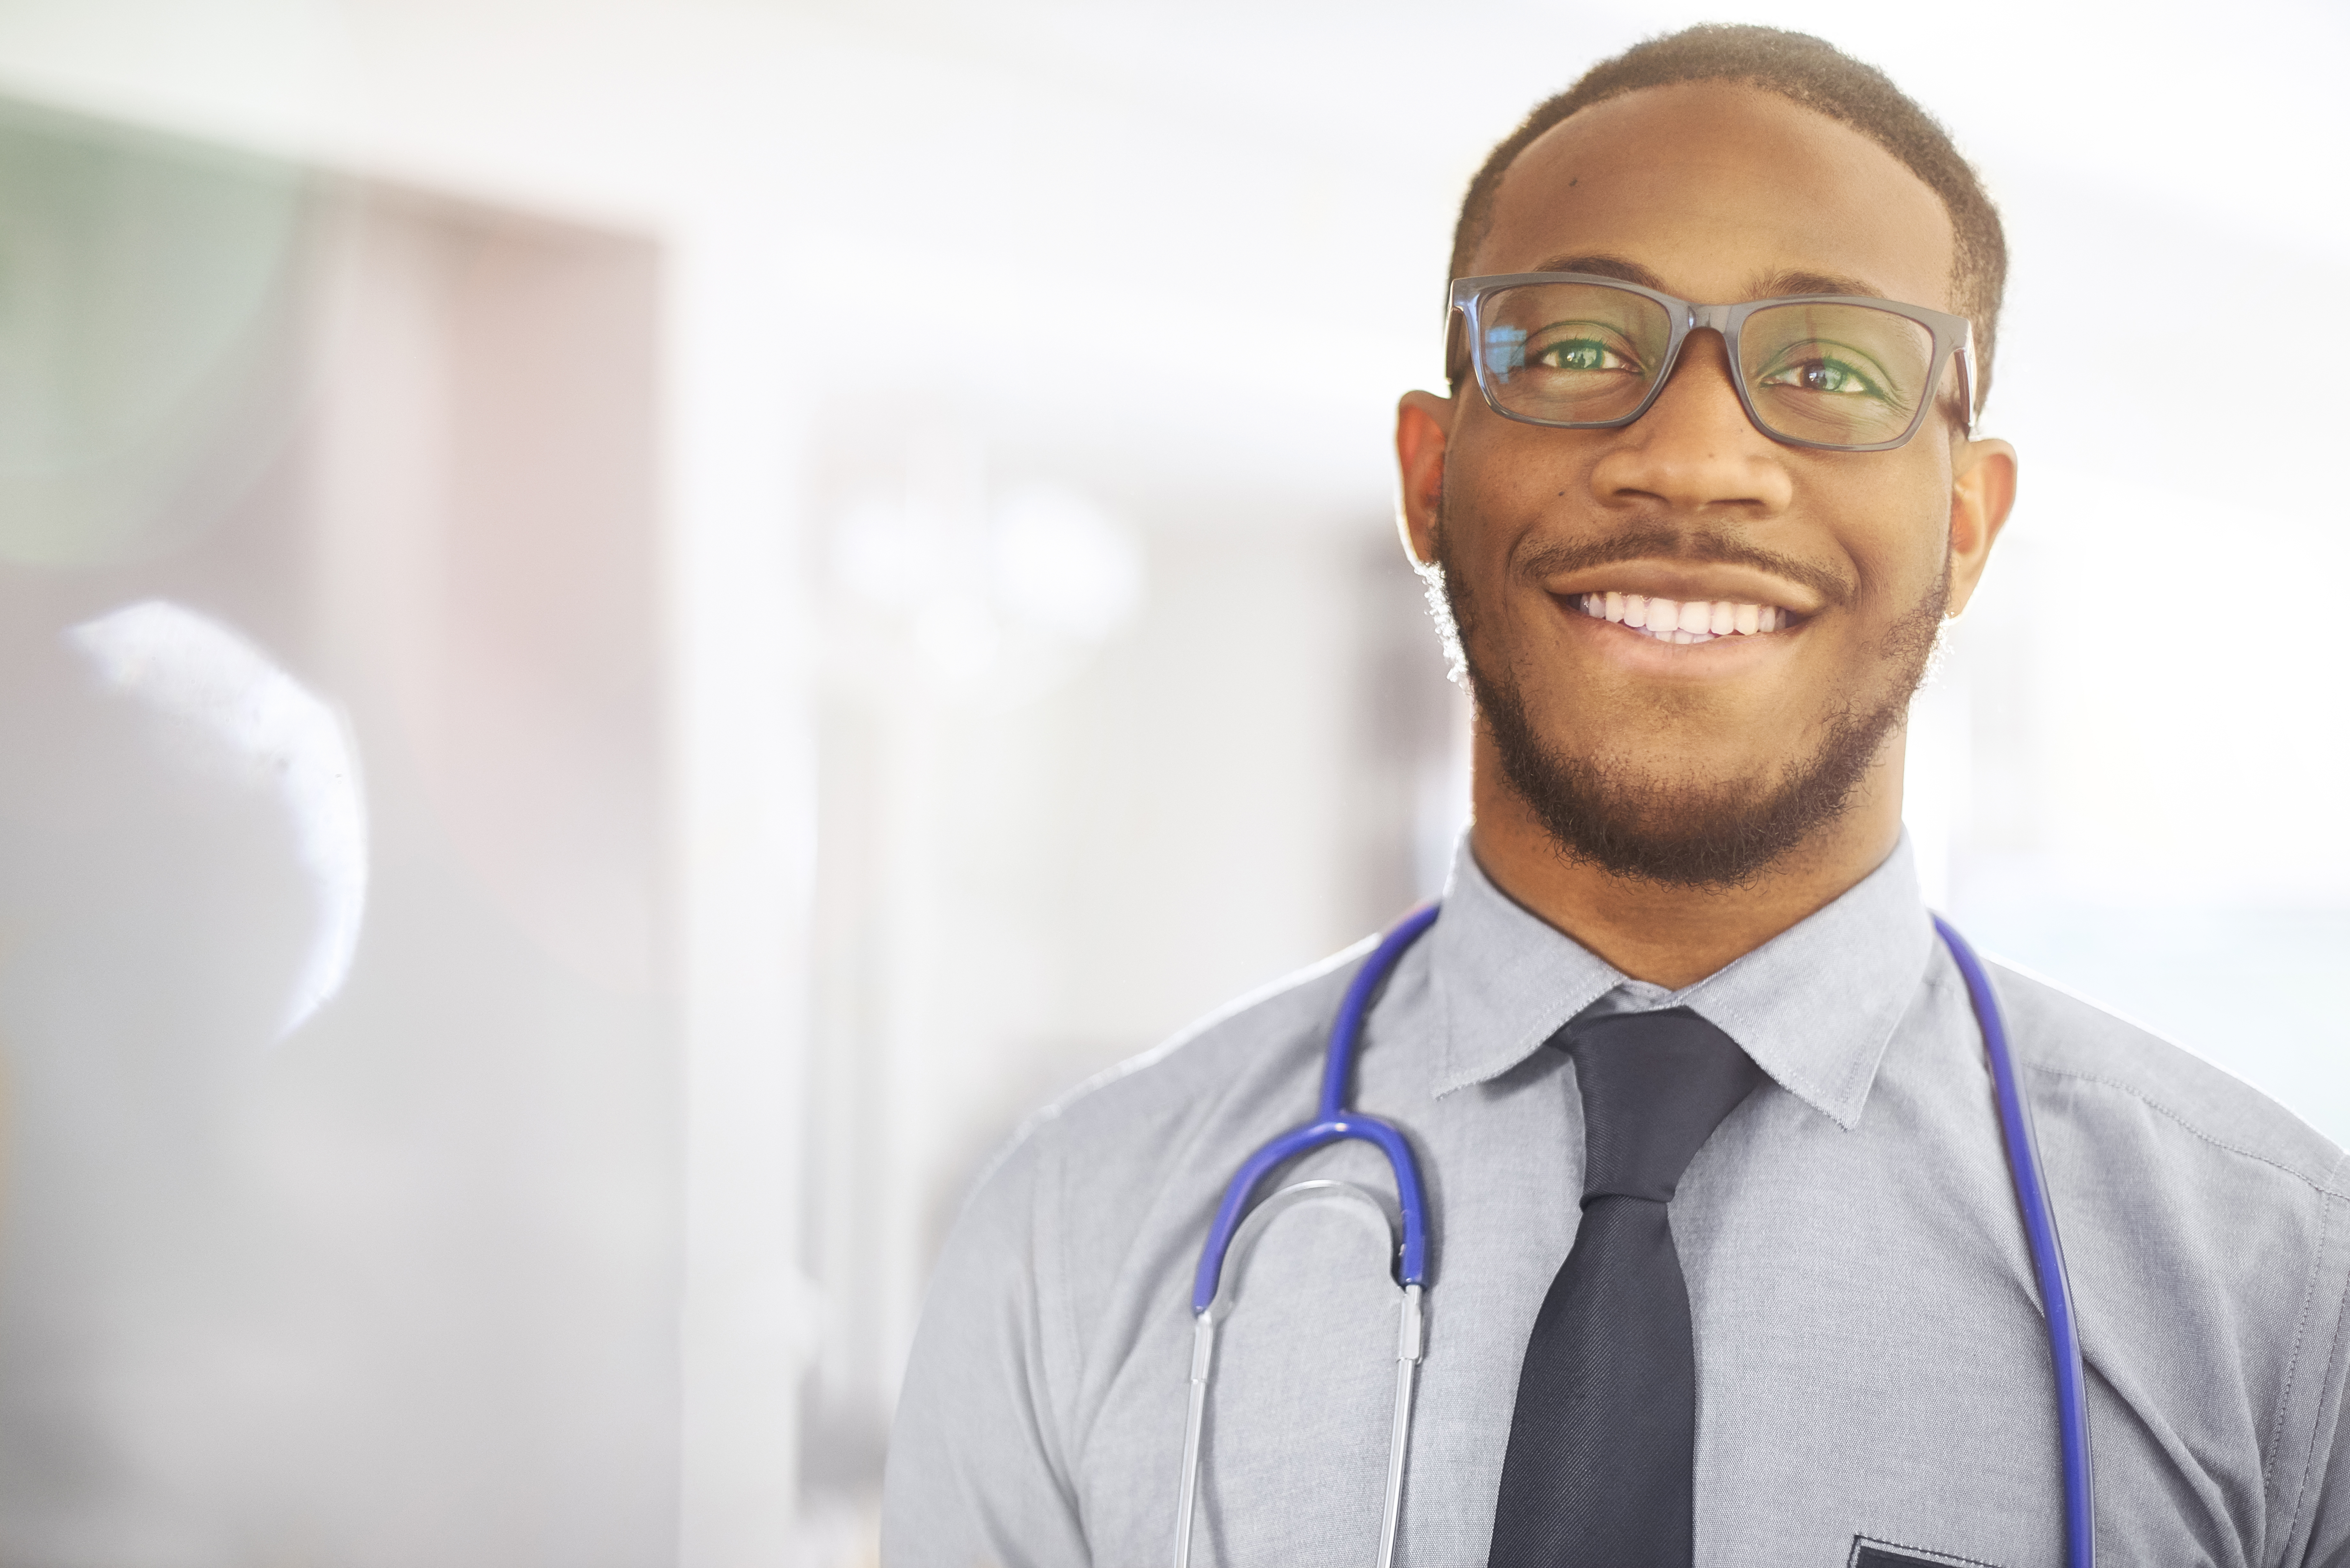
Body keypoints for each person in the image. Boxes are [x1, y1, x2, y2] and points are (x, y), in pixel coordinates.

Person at [878, 24, 2350, 1566]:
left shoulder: (2278, 1288)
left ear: (1968, 525)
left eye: (1831, 366)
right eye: (1577, 348)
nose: (1697, 460)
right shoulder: (1078, 1226)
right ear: (1429, 473)